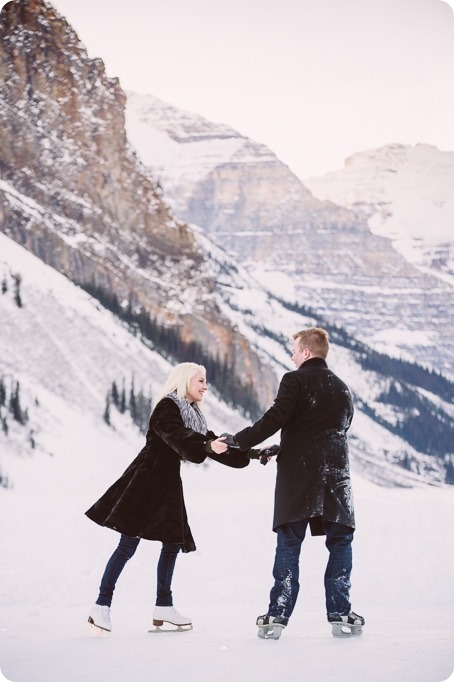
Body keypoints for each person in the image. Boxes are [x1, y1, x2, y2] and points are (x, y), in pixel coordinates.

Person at [85, 362, 253, 635]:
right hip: (145, 482)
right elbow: (177, 436)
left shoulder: (192, 415)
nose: (205, 386)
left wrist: (254, 454)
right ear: (186, 380)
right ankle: (101, 606)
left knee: (173, 542)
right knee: (127, 546)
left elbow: (213, 445)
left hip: (168, 485)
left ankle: (163, 605)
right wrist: (205, 445)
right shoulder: (166, 408)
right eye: (200, 381)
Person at [224, 327, 364, 639]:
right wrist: (283, 447)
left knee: (289, 542)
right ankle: (341, 612)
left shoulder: (295, 379)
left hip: (299, 476)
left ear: (306, 352)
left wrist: (238, 440)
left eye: (295, 350)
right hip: (337, 476)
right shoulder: (343, 389)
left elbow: (276, 418)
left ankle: (277, 615)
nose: (292, 356)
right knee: (340, 542)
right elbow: (331, 429)